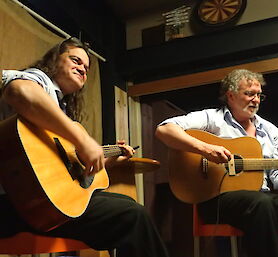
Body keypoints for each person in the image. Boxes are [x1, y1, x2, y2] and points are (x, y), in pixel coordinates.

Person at [0, 37, 169, 257]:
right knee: (132, 215)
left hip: (34, 203)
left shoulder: (60, 112)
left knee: (126, 205)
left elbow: (66, 170)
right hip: (12, 203)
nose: (82, 69)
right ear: (53, 60)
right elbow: (20, 92)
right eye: (75, 60)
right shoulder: (38, 80)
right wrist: (82, 138)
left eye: (87, 68)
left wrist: (108, 158)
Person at [156, 68, 278, 257]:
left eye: (258, 95)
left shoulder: (269, 129)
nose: (255, 100)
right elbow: (164, 130)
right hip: (216, 198)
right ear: (230, 95)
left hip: (262, 198)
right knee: (261, 204)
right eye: (249, 94)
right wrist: (205, 149)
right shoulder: (212, 119)